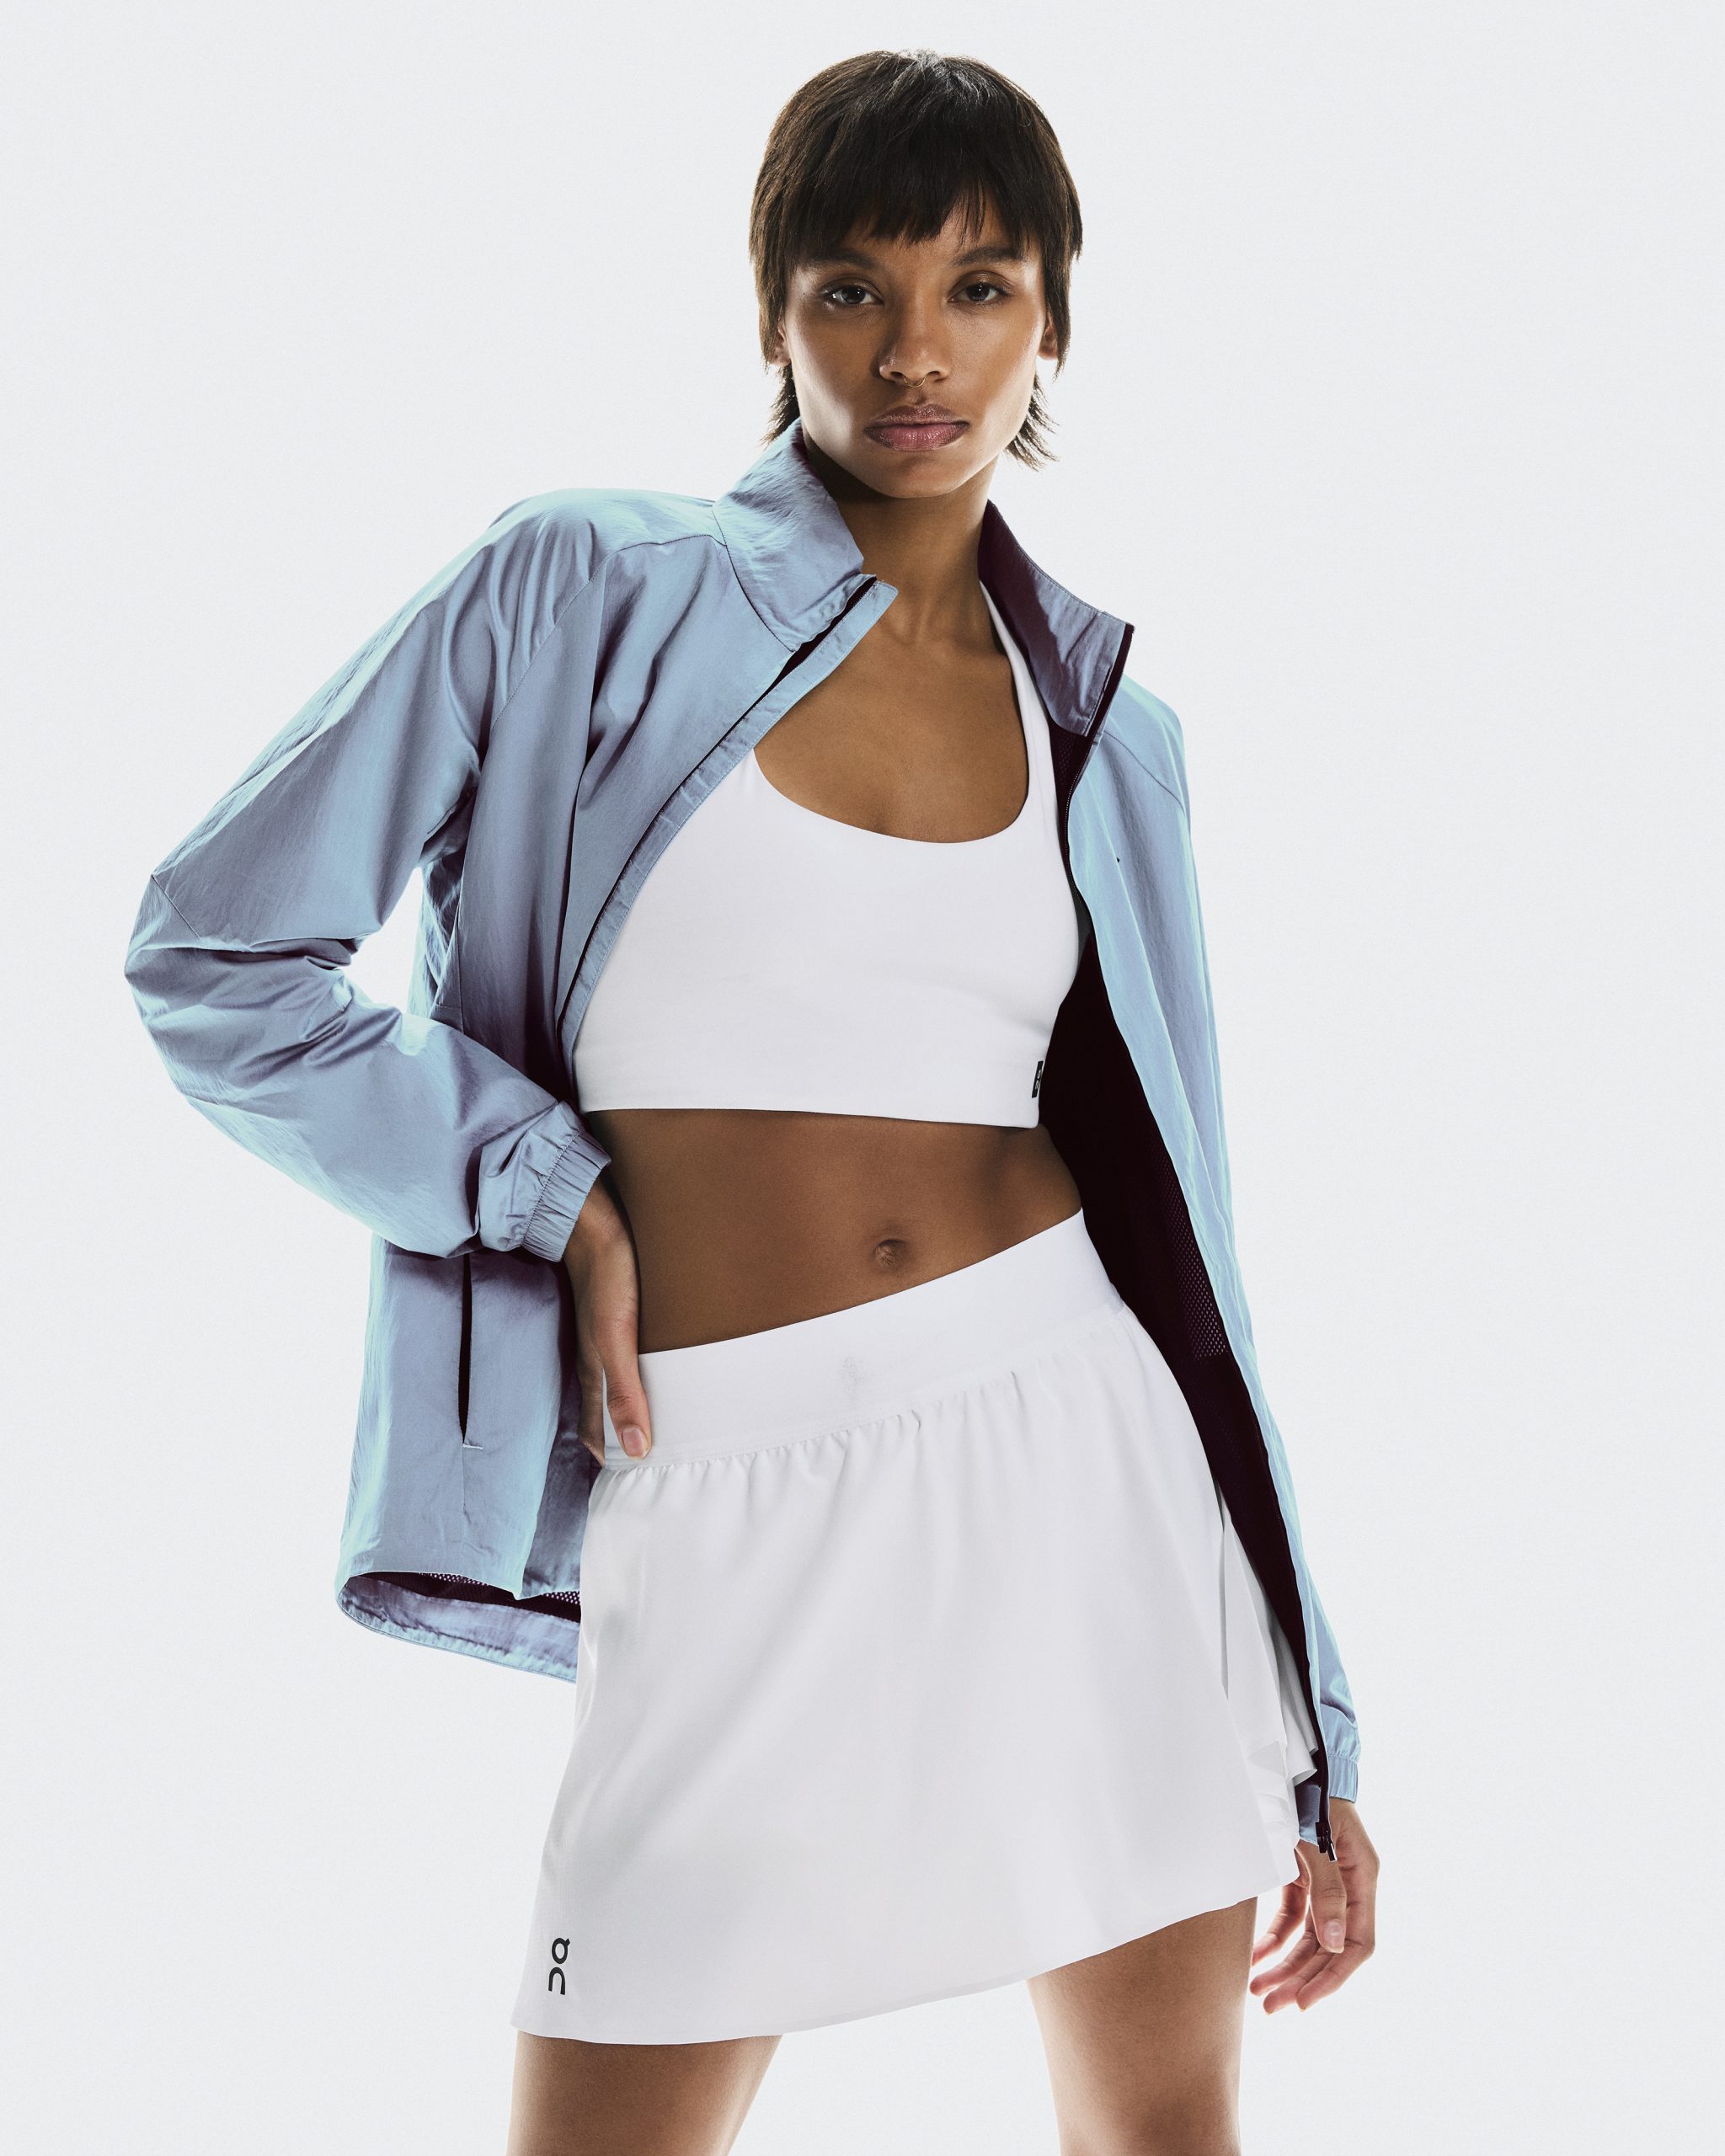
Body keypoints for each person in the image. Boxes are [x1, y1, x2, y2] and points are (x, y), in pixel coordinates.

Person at [124, 46, 1376, 2156]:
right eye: (850, 288)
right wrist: (537, 1183)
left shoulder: (1108, 728)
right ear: (773, 311)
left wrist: (1320, 1717)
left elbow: (1197, 1244)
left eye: (978, 288)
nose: (915, 354)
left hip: (1081, 1452)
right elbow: (213, 953)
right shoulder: (581, 588)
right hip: (718, 1473)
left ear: (1054, 317)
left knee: (1162, 2128)